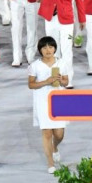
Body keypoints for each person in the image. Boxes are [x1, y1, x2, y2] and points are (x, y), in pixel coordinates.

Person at [37, 0, 86, 87]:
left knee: (67, 50)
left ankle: (68, 79)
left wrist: (82, 19)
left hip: (67, 20)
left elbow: (79, 1)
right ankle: (56, 79)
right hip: (50, 18)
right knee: (53, 50)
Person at [27, 36, 68, 175]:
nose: (48, 50)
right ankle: (50, 163)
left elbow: (67, 82)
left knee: (59, 133)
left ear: (55, 48)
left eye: (50, 47)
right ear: (40, 50)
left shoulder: (62, 63)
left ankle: (55, 147)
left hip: (59, 101)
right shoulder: (35, 66)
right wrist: (46, 81)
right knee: (46, 133)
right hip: (42, 101)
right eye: (44, 47)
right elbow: (31, 84)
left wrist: (61, 81)